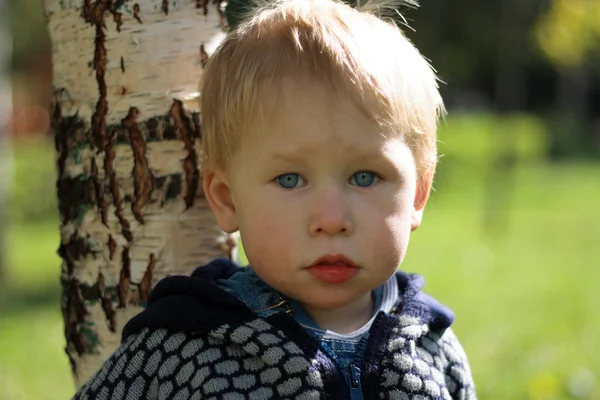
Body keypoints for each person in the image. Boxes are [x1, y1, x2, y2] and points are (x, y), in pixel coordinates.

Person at [74, 0, 477, 398]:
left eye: (365, 177)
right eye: (289, 179)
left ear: (418, 196)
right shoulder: (184, 349)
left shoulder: (434, 348)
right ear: (228, 200)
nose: (331, 219)